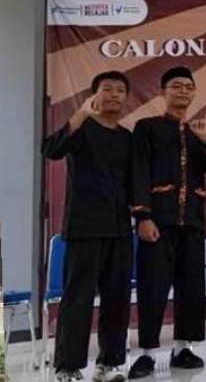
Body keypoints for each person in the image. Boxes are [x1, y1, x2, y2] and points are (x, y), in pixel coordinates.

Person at [128, 66, 206, 379]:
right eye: (176, 86)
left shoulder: (197, 132)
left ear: (194, 92)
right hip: (158, 221)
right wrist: (143, 215)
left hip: (192, 221)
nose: (183, 91)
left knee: (191, 286)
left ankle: (184, 347)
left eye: (188, 86)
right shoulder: (147, 127)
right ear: (163, 91)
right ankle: (147, 353)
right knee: (153, 286)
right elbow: (138, 171)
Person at [43, 71, 133, 382]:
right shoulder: (81, 129)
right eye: (107, 89)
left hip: (120, 229)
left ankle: (109, 363)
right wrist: (80, 115)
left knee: (117, 299)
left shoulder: (127, 138)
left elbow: (134, 182)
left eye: (120, 90)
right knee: (77, 298)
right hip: (84, 228)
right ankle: (68, 367)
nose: (114, 95)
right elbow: (51, 150)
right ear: (94, 95)